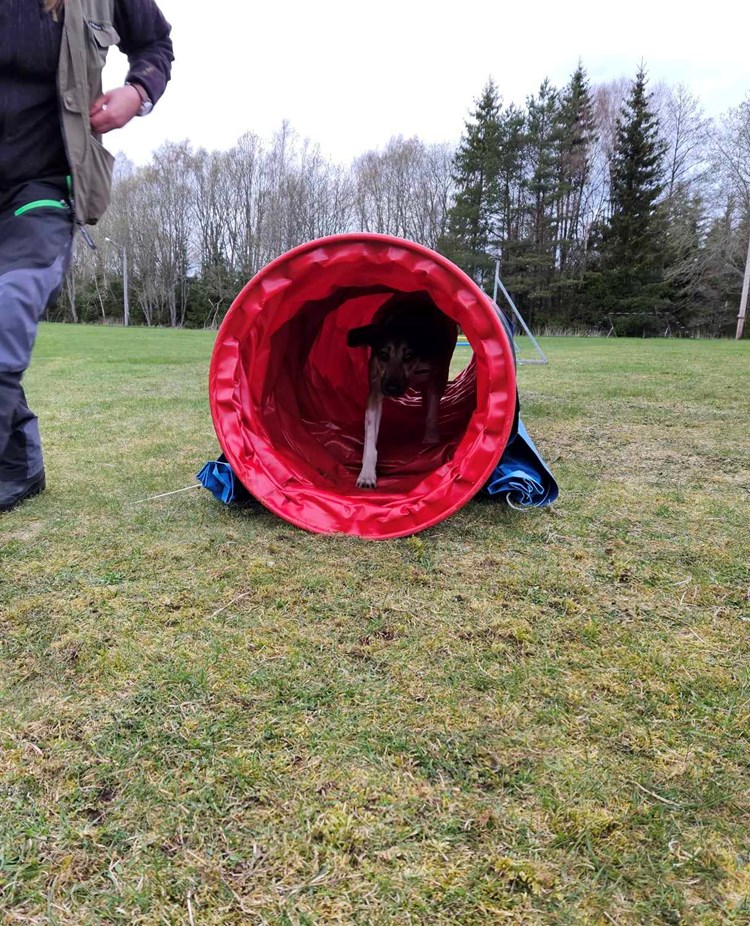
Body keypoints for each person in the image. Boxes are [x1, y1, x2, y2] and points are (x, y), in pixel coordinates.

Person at [0, 0, 173, 512]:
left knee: (6, 311)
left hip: (42, 186)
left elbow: (156, 43)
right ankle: (18, 465)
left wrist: (136, 92)